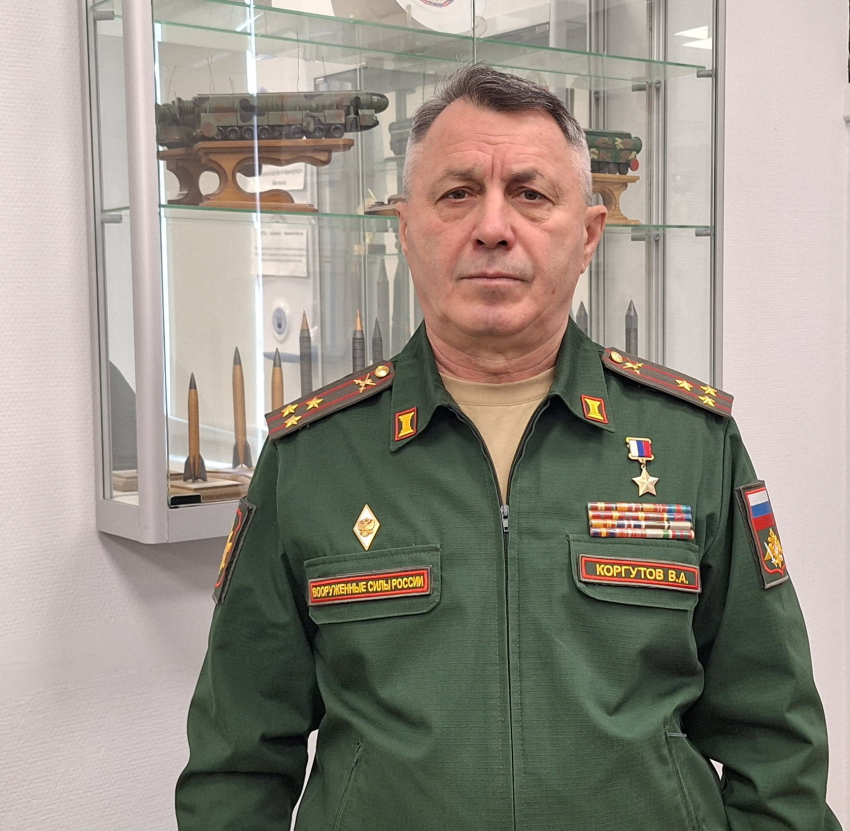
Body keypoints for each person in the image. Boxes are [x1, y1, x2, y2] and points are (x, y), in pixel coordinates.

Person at [176, 64, 841, 830]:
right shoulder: (313, 458)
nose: (493, 226)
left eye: (530, 193)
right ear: (406, 228)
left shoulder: (693, 445)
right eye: (458, 193)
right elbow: (237, 764)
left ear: (587, 234)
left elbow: (776, 743)